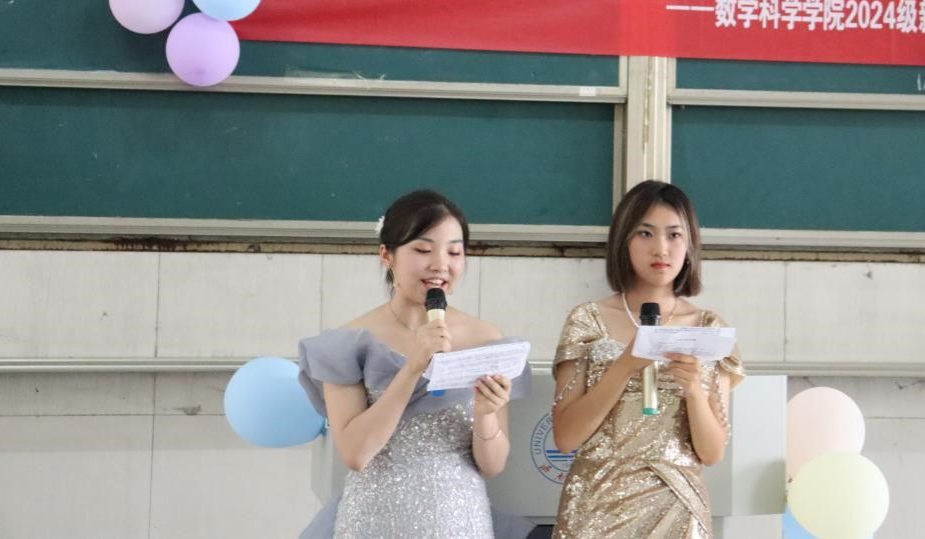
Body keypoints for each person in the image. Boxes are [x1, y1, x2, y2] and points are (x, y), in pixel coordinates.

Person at [297, 189, 529, 539]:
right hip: (373, 524)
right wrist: (413, 368)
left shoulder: (486, 338)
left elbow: (493, 465)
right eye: (423, 250)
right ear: (386, 255)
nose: (440, 264)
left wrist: (485, 413)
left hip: (460, 523)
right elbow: (356, 454)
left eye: (454, 252)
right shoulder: (347, 342)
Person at [550, 180, 744, 538]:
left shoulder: (709, 328)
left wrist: (694, 390)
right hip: (597, 507)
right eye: (645, 233)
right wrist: (624, 366)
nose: (661, 248)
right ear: (623, 240)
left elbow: (712, 453)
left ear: (690, 244)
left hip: (678, 506)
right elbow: (565, 437)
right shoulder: (587, 320)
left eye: (674, 235)